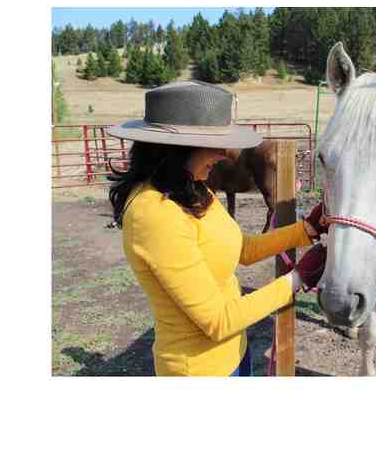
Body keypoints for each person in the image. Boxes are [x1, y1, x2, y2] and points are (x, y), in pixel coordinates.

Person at [107, 81, 328, 376]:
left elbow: (242, 249)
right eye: (216, 144)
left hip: (235, 352)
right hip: (199, 368)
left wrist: (307, 230)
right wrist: (297, 279)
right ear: (179, 147)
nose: (225, 155)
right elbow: (218, 321)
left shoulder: (194, 188)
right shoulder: (153, 214)